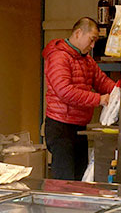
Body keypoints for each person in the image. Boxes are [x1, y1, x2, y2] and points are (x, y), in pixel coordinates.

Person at [42, 17, 117, 180]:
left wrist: (119, 91)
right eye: (92, 40)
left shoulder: (86, 60)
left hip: (79, 126)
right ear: (78, 33)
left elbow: (101, 81)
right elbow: (65, 91)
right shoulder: (59, 57)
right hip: (61, 126)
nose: (92, 46)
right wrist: (99, 99)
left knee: (79, 180)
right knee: (64, 181)